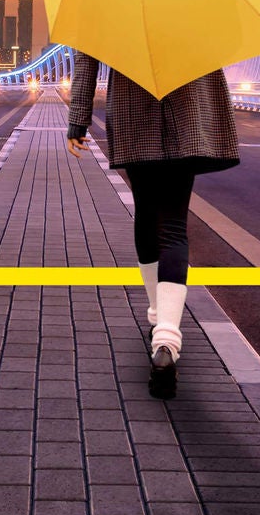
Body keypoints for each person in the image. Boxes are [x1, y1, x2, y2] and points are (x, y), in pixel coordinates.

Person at [65, 55, 239, 399]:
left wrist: (77, 122)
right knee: (174, 223)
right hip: (188, 105)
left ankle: (158, 319)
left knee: (146, 212)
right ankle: (167, 338)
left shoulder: (102, 0)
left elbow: (86, 60)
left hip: (133, 110)